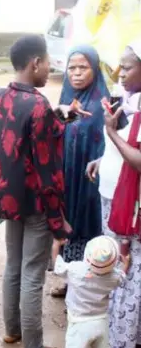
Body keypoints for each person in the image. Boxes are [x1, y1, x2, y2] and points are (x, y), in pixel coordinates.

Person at [0, 35, 70, 348]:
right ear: (35, 63)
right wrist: (57, 218)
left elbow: (10, 145)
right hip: (35, 202)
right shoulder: (38, 105)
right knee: (34, 272)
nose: (50, 69)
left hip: (9, 198)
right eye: (48, 62)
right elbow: (48, 171)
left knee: (13, 265)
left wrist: (60, 119)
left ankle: (12, 330)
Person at [87, 42, 141, 348]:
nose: (120, 74)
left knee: (127, 269)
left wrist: (112, 134)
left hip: (131, 203)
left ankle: (120, 345)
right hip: (115, 193)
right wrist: (102, 156)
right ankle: (122, 338)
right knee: (119, 265)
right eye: (119, 66)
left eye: (129, 67)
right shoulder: (132, 102)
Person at [50, 45, 110, 298]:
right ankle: (68, 278)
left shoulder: (103, 105)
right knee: (67, 223)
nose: (76, 73)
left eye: (83, 67)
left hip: (91, 181)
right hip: (66, 178)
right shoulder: (65, 100)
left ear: (94, 69)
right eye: (71, 68)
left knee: (89, 221)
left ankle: (93, 280)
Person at [53, 236, 129, 348]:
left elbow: (57, 267)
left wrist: (56, 245)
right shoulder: (113, 276)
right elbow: (122, 275)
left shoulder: (75, 269)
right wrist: (126, 263)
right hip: (101, 320)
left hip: (79, 321)